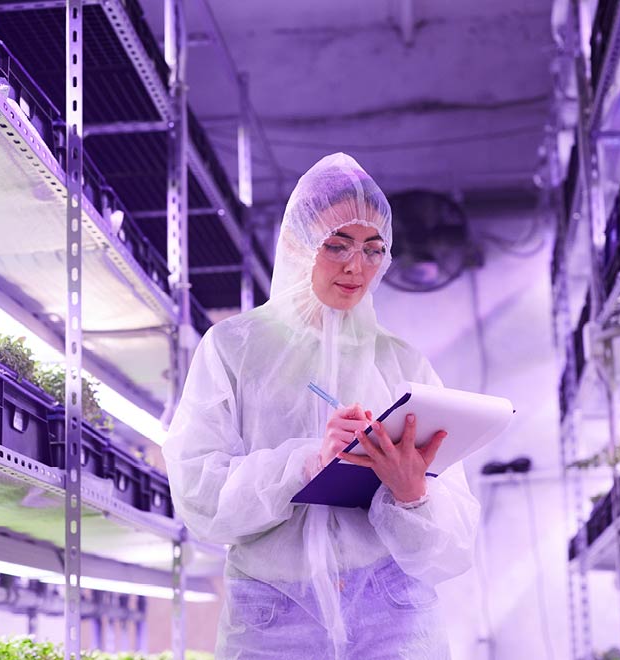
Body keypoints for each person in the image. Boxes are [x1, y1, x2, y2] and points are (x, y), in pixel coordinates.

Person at [163, 153, 480, 659]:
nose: (357, 266)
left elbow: (452, 547)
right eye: (337, 245)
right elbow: (200, 497)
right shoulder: (234, 348)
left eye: (374, 250)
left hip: (393, 609)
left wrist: (412, 494)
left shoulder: (402, 363)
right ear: (295, 244)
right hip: (273, 612)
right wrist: (305, 462)